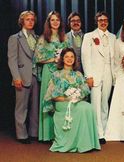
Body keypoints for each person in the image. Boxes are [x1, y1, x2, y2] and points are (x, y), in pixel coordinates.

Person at [44, 48, 100, 153]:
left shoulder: (78, 74)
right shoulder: (56, 74)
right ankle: (77, 143)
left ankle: (87, 143)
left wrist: (77, 96)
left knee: (88, 107)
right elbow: (52, 96)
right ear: (62, 59)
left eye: (72, 57)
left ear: (75, 59)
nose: (69, 59)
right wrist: (68, 98)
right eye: (67, 57)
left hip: (76, 101)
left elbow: (84, 91)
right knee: (82, 108)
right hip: (62, 102)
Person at [81, 11, 116, 144]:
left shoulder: (112, 37)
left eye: (105, 20)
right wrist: (88, 75)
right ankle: (97, 132)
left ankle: (105, 130)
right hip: (94, 74)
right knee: (95, 103)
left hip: (108, 72)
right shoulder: (89, 36)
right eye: (100, 20)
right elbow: (85, 57)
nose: (103, 22)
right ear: (96, 21)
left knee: (104, 102)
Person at [35, 11, 69, 141]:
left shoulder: (64, 38)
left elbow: (69, 55)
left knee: (61, 101)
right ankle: (47, 134)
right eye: (52, 20)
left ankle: (61, 134)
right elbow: (37, 58)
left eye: (57, 20)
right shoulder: (43, 38)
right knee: (48, 100)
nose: (55, 22)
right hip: (48, 73)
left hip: (61, 72)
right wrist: (53, 59)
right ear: (48, 22)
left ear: (60, 22)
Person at [8, 11, 39, 144]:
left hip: (36, 76)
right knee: (21, 107)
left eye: (32, 19)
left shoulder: (38, 38)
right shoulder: (15, 38)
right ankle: (21, 134)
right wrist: (16, 77)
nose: (30, 21)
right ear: (22, 21)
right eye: (27, 19)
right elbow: (12, 59)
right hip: (21, 76)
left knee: (35, 106)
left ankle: (34, 132)